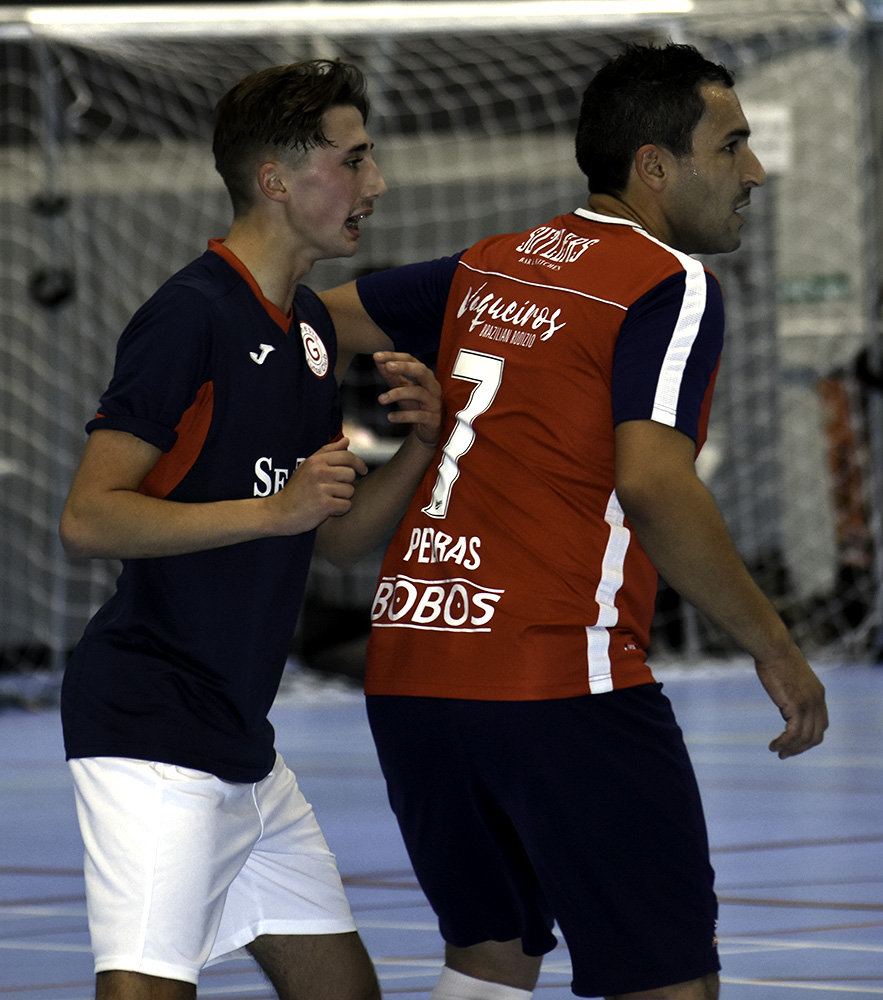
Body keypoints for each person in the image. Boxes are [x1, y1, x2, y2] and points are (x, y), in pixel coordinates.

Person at [320, 42, 829, 1000]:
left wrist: (300, 447)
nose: (753, 171)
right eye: (731, 145)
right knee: (666, 979)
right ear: (653, 166)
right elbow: (654, 484)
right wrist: (773, 645)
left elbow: (312, 320)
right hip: (557, 676)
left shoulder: (490, 264)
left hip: (414, 668)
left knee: (489, 959)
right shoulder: (668, 282)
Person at [58, 59, 442, 1000]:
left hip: (241, 741)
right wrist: (276, 510)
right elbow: (88, 517)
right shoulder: (189, 315)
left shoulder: (308, 328)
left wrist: (425, 446)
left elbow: (334, 538)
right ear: (275, 179)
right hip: (151, 728)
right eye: (352, 161)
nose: (376, 183)